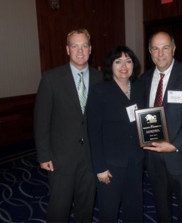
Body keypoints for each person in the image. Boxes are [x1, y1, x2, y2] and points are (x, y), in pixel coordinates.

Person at [34, 29, 103, 222]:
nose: (79, 51)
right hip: (60, 158)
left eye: (84, 46)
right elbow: (41, 120)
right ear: (67, 49)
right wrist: (44, 154)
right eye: (74, 46)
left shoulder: (101, 79)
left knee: (86, 206)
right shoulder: (51, 79)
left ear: (90, 49)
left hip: (90, 157)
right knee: (59, 207)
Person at [141, 31, 182, 222]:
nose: (160, 53)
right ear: (150, 52)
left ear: (174, 49)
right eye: (155, 48)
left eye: (165, 47)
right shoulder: (143, 80)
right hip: (154, 157)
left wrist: (175, 144)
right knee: (161, 208)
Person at [87, 46, 145, 222]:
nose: (124, 66)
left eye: (128, 61)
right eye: (118, 61)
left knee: (134, 208)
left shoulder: (139, 88)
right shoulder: (99, 91)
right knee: (109, 211)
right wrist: (100, 168)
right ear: (110, 65)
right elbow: (93, 132)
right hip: (110, 165)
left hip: (135, 160)